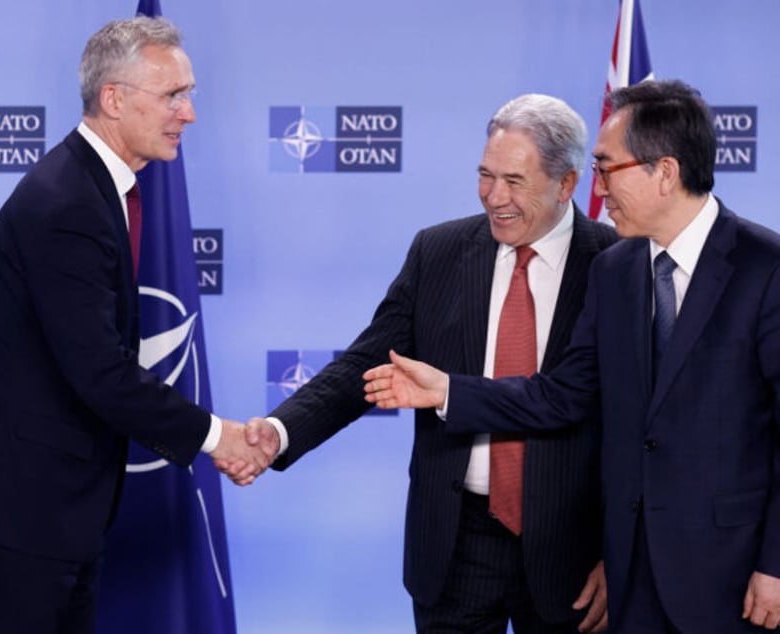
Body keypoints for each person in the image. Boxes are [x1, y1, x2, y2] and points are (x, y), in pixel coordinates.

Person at [364, 79, 780, 633]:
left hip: (733, 577)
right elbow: (563, 393)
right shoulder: (617, 270)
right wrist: (448, 391)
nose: (598, 188)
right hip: (633, 582)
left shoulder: (766, 268)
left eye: (608, 169)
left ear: (665, 171)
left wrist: (774, 565)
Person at [227, 94, 618, 632]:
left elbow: (634, 421)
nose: (493, 197)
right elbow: (366, 363)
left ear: (567, 184)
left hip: (572, 553)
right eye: (485, 175)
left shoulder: (615, 266)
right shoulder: (438, 252)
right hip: (455, 545)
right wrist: (279, 431)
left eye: (514, 181)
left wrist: (619, 554)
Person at [0, 17, 267, 634]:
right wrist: (220, 438)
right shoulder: (66, 205)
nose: (188, 113)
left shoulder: (95, 189)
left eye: (188, 94)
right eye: (173, 95)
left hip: (55, 514)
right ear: (114, 98)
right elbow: (100, 373)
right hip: (15, 520)